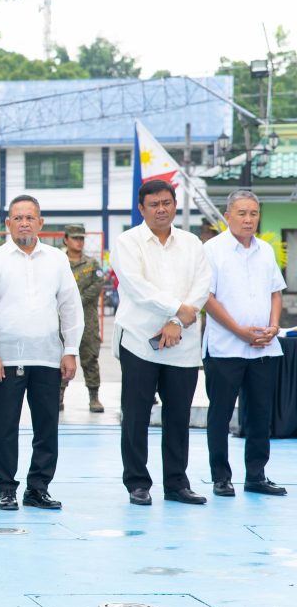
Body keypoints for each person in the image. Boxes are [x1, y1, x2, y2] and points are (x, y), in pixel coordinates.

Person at [0, 195, 82, 511]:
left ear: (40, 223)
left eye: (30, 218)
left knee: (46, 427)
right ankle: (6, 489)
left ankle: (38, 488)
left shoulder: (57, 260)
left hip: (48, 357)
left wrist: (71, 349)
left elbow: (70, 306)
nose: (24, 223)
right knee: (4, 427)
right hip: (5, 360)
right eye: (18, 218)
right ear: (8, 223)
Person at [111, 179, 210, 506]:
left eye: (166, 203)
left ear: (175, 205)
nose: (161, 209)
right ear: (142, 208)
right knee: (136, 415)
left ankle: (177, 483)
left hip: (182, 342)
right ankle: (137, 483)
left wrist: (177, 321)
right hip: (140, 341)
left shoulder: (192, 243)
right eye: (154, 204)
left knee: (178, 417)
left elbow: (202, 285)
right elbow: (136, 287)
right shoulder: (127, 242)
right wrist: (177, 309)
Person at [202, 190, 287, 497]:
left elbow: (275, 292)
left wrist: (273, 326)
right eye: (242, 213)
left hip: (263, 347)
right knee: (221, 414)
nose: (248, 219)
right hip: (225, 348)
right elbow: (207, 298)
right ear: (228, 216)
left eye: (253, 213)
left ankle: (256, 476)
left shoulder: (265, 250)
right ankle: (221, 477)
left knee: (260, 414)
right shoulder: (212, 250)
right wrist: (239, 331)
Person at [59, 224, 104, 413]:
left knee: (90, 358)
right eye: (75, 238)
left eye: (81, 238)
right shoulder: (59, 262)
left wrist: (77, 300)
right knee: (61, 357)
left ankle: (94, 397)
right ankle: (59, 395)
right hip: (63, 320)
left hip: (88, 321)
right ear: (66, 239)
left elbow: (98, 284)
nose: (79, 242)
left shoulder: (92, 263)